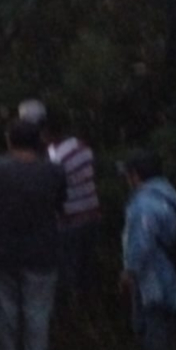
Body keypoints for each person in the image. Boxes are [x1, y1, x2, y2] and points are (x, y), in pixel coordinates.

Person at [0, 119, 66, 350]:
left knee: (5, 309)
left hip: (2, 248)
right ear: (39, 142)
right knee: (37, 313)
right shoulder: (55, 172)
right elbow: (60, 205)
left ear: (9, 141)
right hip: (42, 251)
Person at [120, 150, 176, 350]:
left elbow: (141, 243)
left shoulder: (144, 205)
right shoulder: (175, 198)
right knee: (168, 328)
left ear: (136, 175)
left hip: (154, 279)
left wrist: (129, 272)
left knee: (152, 330)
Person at [41, 115, 103, 301]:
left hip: (71, 218)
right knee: (87, 264)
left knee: (70, 267)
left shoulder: (58, 157)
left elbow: (52, 187)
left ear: (48, 134)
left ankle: (75, 307)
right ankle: (90, 303)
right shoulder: (81, 146)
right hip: (92, 212)